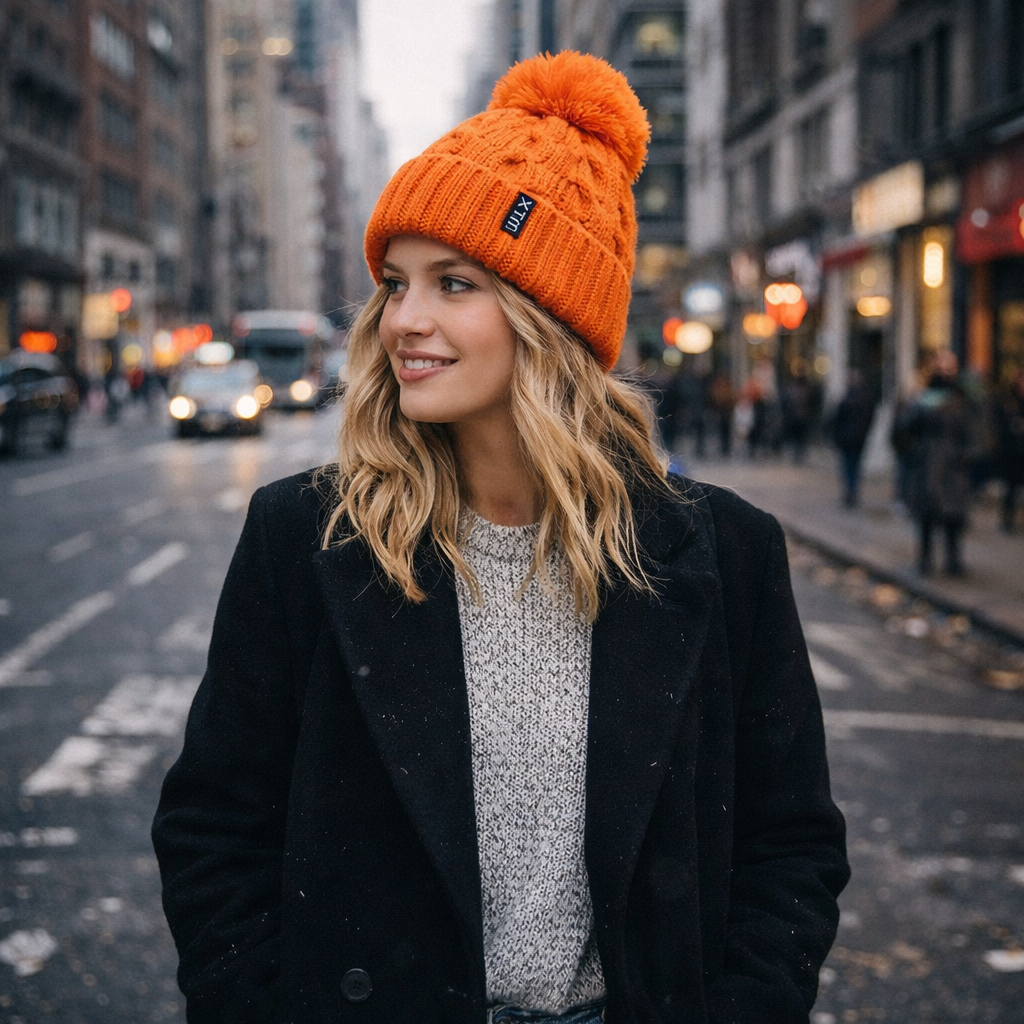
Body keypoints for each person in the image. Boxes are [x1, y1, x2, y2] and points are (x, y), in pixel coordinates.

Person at [152, 52, 848, 1024]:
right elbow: (214, 829)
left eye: (453, 283)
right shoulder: (305, 538)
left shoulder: (725, 554)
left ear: (549, 313)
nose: (405, 319)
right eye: (395, 283)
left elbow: (790, 846)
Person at [904, 351, 972, 576]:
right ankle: (926, 560)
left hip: (950, 466)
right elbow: (906, 429)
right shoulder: (924, 399)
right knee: (928, 517)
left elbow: (973, 434)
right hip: (929, 465)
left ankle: (952, 561)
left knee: (952, 517)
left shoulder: (960, 400)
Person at [831, 371, 876, 507]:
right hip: (857, 439)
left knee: (849, 465)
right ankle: (852, 491)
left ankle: (851, 491)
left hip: (849, 439)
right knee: (854, 466)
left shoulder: (847, 400)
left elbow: (837, 419)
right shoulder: (864, 399)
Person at [996, 368, 1024, 532]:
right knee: (1011, 488)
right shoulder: (1008, 401)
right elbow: (1001, 424)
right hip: (1012, 451)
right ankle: (1007, 520)